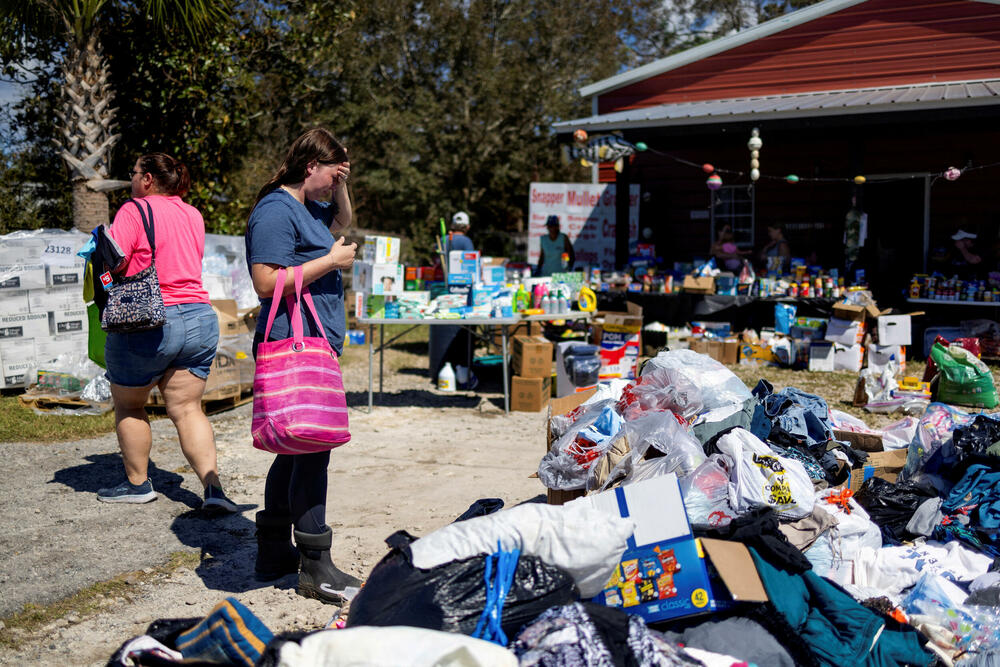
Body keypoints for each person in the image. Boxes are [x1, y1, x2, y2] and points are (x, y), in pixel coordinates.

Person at [245, 128, 361, 605]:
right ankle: (316, 564)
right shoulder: (275, 209)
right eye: (333, 174)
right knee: (314, 449)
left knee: (295, 449)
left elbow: (343, 219)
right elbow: (265, 283)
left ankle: (273, 552)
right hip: (292, 342)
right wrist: (331, 262)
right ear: (310, 166)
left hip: (313, 341)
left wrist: (343, 185)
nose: (335, 186)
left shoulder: (308, 206)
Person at [97, 153, 236, 514]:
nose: (132, 179)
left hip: (150, 318)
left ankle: (138, 484)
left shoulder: (133, 209)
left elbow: (115, 260)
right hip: (199, 317)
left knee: (130, 404)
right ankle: (214, 489)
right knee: (188, 408)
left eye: (134, 172)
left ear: (146, 180)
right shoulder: (192, 213)